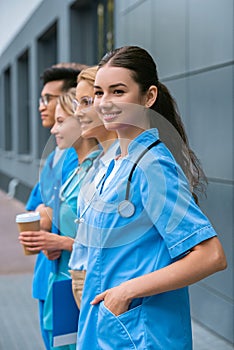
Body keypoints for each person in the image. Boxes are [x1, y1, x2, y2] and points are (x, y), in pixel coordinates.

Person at [73, 46, 227, 349]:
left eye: (118, 91)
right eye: (99, 93)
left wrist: (125, 292)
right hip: (106, 328)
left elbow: (211, 256)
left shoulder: (152, 165)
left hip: (140, 333)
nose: (105, 103)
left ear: (149, 96)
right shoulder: (115, 163)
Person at [19, 88, 100, 349]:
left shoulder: (101, 170)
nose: (53, 129)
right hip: (64, 282)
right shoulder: (76, 169)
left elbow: (109, 244)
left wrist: (61, 241)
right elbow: (43, 212)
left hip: (86, 286)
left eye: (61, 120)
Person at [67, 66, 119, 308]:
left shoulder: (130, 165)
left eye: (86, 101)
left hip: (106, 287)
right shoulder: (98, 164)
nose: (77, 113)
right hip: (82, 280)